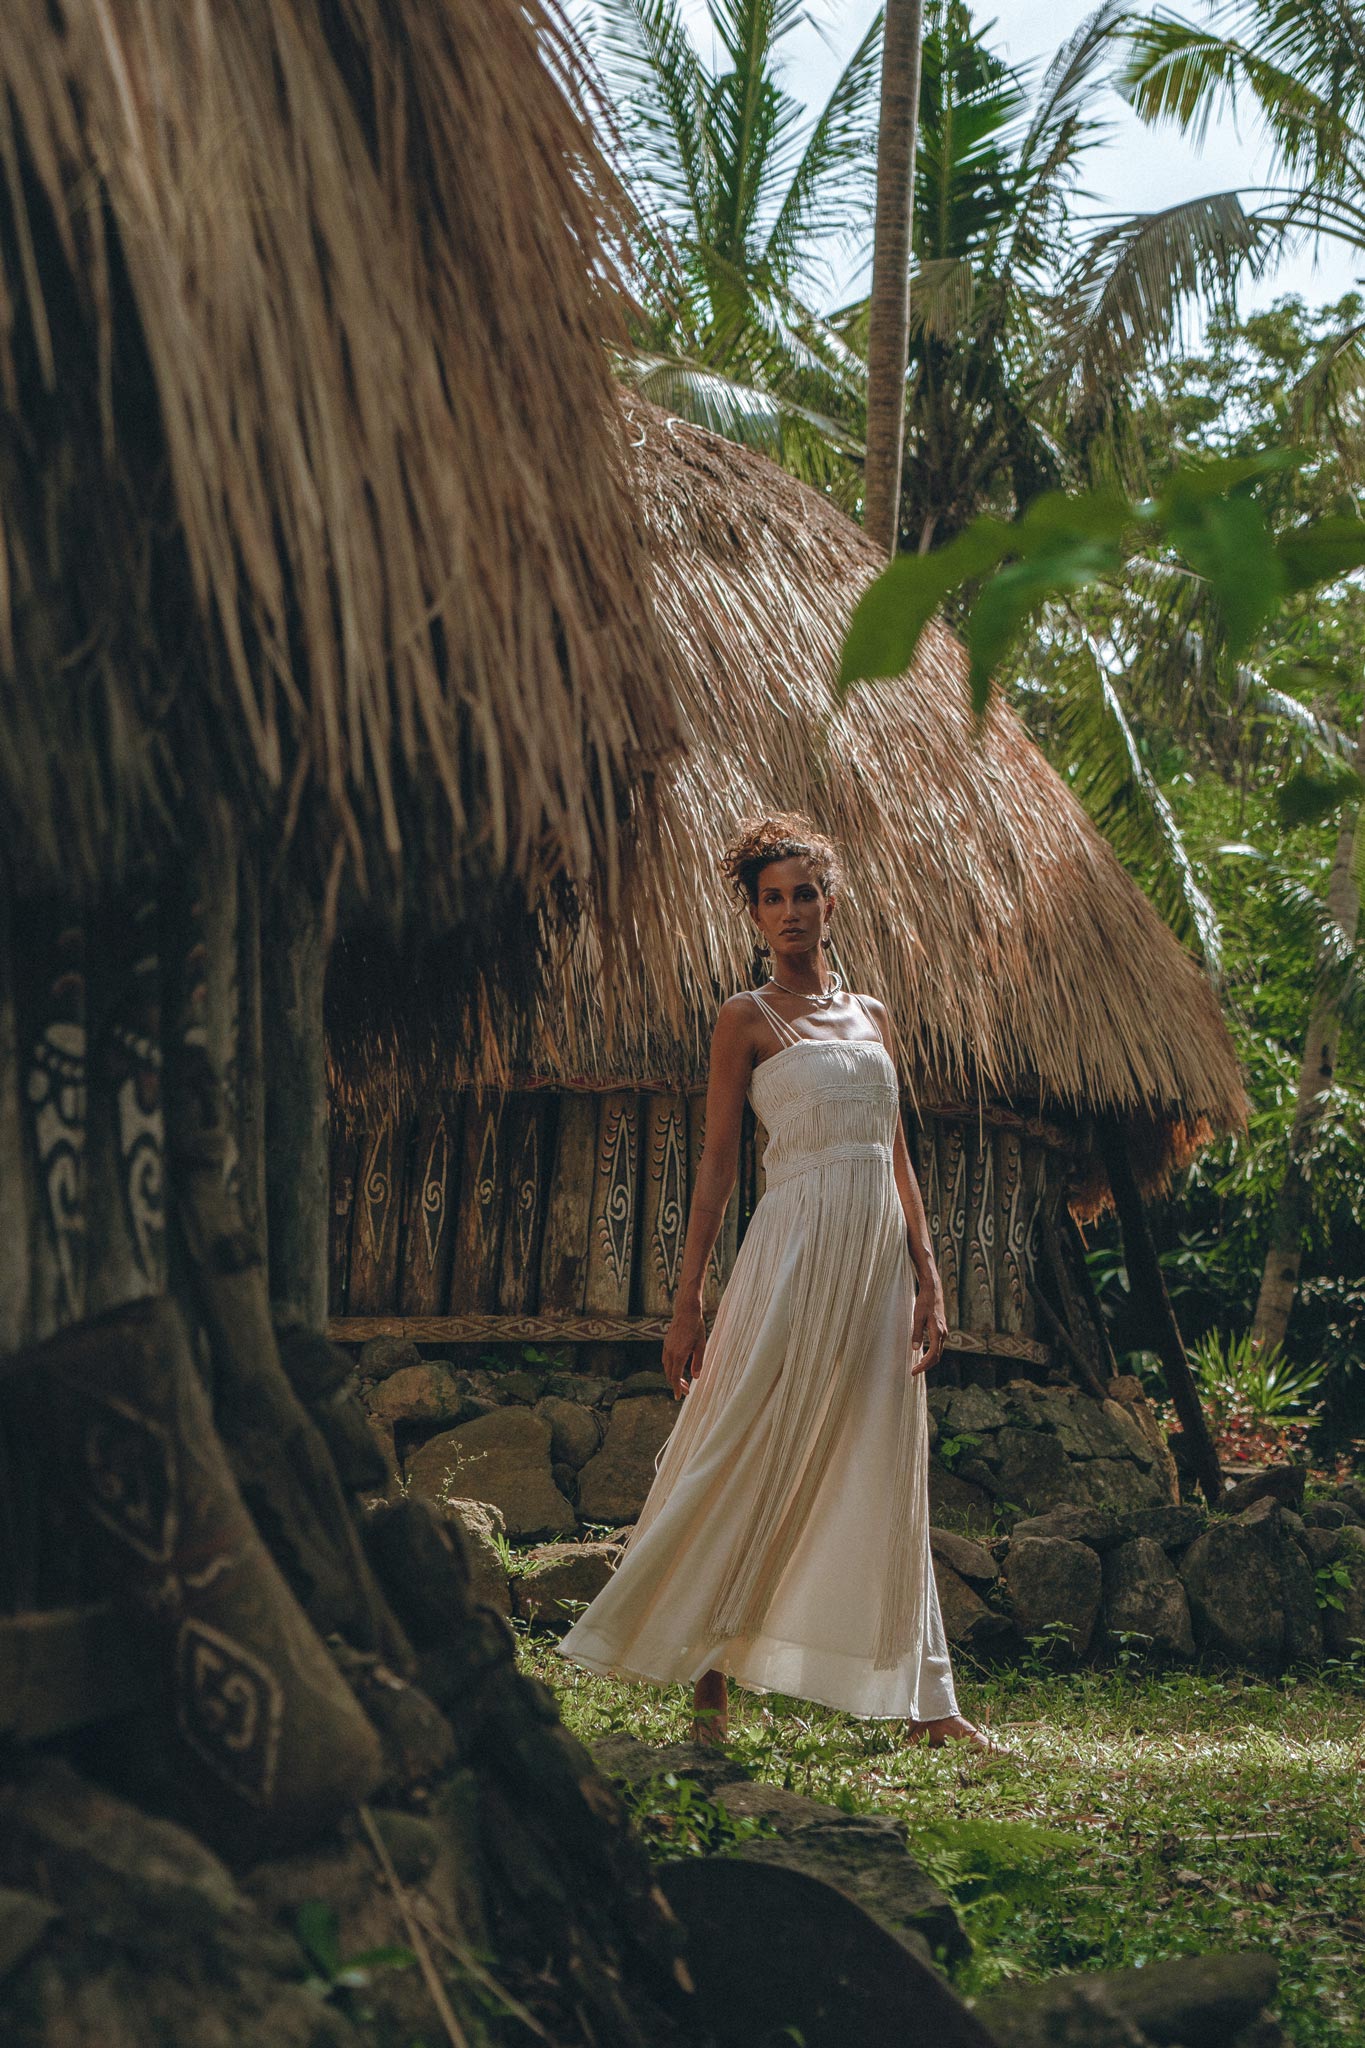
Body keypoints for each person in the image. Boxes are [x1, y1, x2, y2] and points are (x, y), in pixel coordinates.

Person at [558, 815, 998, 1752]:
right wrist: (688, 1299)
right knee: (748, 1436)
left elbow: (896, 1153)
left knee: (885, 1455)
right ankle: (707, 1682)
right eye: (772, 898)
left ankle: (930, 1703)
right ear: (754, 914)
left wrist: (928, 1274)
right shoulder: (742, 1019)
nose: (790, 911)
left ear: (830, 902)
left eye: (805, 893)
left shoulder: (874, 1016)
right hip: (792, 1248)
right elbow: (717, 1165)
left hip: (876, 1260)